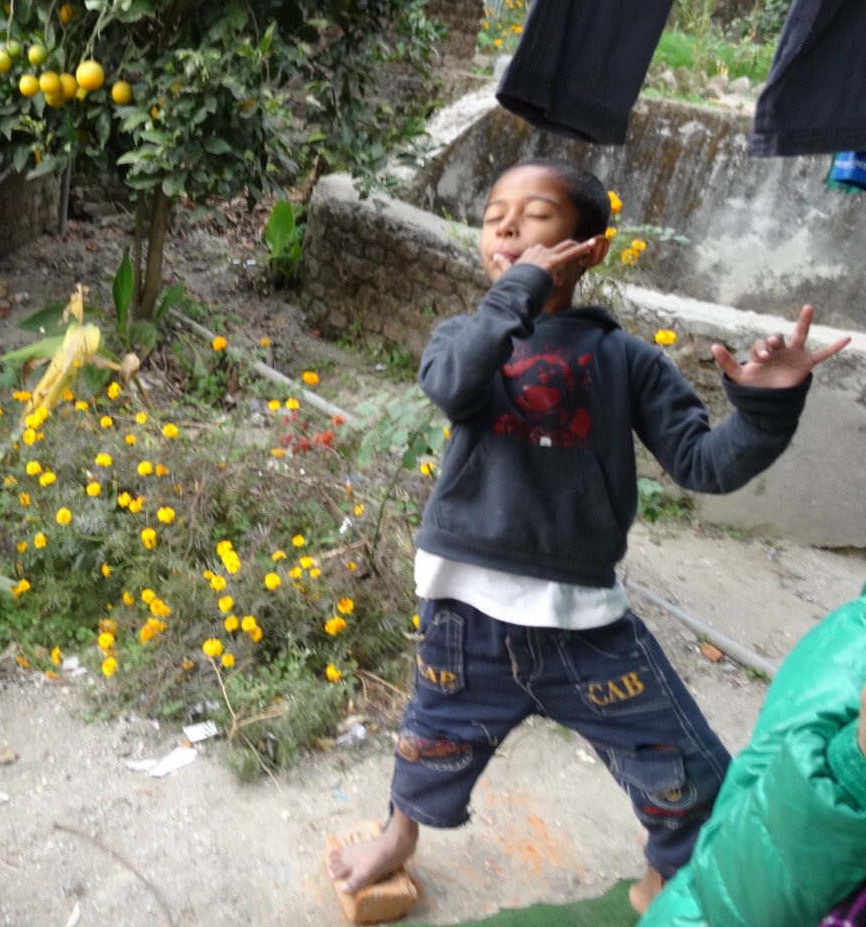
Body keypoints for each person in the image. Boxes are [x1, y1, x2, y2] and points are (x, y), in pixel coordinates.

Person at [326, 158, 851, 913]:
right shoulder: (466, 337)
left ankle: (666, 875)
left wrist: (768, 409)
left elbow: (703, 464)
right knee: (431, 737)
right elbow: (452, 386)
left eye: (535, 215)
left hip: (586, 626)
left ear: (591, 248)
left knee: (684, 765)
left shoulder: (626, 360)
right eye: (493, 217)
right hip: (465, 614)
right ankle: (398, 835)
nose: (507, 227)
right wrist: (517, 290)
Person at [640, 589, 866, 927]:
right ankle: (660, 877)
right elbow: (733, 892)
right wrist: (854, 775)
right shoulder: (849, 662)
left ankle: (661, 878)